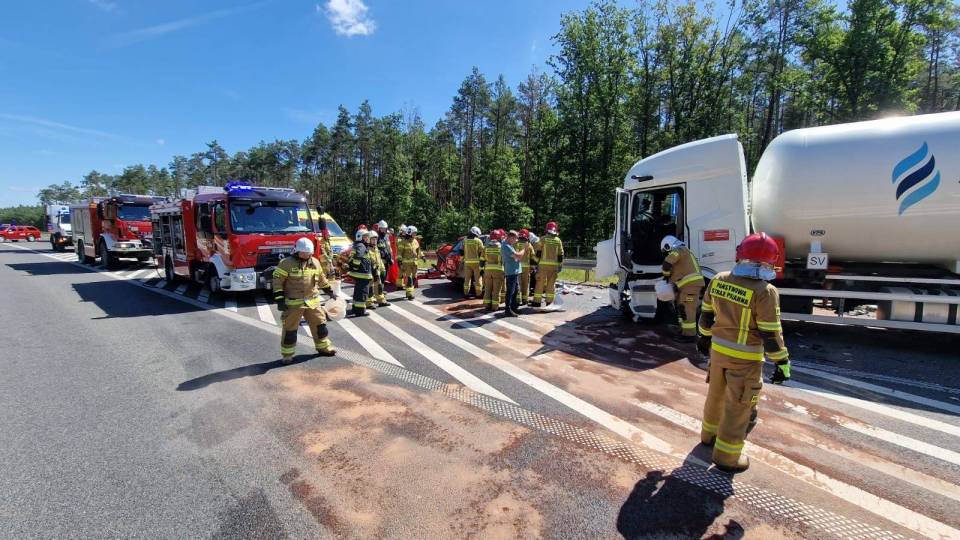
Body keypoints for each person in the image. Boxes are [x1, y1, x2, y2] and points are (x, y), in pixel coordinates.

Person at [697, 232, 790, 473]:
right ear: (771, 261)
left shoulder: (719, 279)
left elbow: (706, 315)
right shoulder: (765, 291)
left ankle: (708, 436)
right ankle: (727, 457)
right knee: (738, 406)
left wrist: (703, 338)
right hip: (745, 359)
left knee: (716, 395)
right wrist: (782, 362)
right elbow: (770, 333)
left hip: (718, 353)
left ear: (740, 254)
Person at [272, 237, 337, 363]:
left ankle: (323, 347)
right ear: (297, 251)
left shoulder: (315, 262)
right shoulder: (286, 263)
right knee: (290, 330)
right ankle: (287, 355)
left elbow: (321, 278)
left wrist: (329, 291)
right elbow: (277, 282)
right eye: (304, 253)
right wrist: (279, 300)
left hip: (313, 301)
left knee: (320, 325)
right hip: (293, 303)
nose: (307, 255)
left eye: (309, 253)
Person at [661, 235, 705, 341]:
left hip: (691, 285)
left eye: (666, 251)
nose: (667, 254)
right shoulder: (685, 251)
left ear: (668, 246)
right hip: (688, 285)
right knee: (681, 307)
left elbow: (667, 263)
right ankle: (683, 331)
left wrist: (666, 275)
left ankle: (689, 335)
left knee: (687, 308)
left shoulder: (679, 250)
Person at [531, 221, 564, 307]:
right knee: (551, 284)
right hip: (554, 267)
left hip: (543, 266)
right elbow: (560, 255)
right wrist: (560, 265)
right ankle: (549, 302)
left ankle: (537, 302)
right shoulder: (558, 240)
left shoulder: (542, 239)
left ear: (546, 229)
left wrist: (534, 264)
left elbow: (538, 253)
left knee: (540, 283)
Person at [502, 230, 533, 317]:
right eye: (515, 239)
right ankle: (508, 310)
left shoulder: (509, 245)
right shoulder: (506, 246)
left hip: (514, 271)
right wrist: (524, 249)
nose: (516, 241)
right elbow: (518, 256)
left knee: (515, 290)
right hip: (511, 271)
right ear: (510, 237)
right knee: (510, 291)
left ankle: (513, 308)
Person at [347, 229, 373, 317]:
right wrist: (355, 266)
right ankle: (360, 311)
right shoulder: (361, 246)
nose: (367, 238)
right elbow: (358, 257)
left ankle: (355, 308)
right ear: (360, 237)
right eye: (365, 236)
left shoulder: (358, 245)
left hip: (360, 274)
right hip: (363, 274)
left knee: (358, 292)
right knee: (363, 292)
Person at [366, 230, 390, 308]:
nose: (375, 241)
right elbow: (368, 262)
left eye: (376, 239)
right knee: (370, 288)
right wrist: (373, 271)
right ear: (369, 240)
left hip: (377, 272)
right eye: (373, 239)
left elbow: (379, 260)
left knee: (379, 287)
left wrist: (383, 270)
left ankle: (381, 300)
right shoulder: (367, 249)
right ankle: (369, 303)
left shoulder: (376, 249)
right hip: (370, 273)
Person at [482, 230, 505, 312]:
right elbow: (504, 260)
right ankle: (495, 307)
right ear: (499, 237)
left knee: (487, 289)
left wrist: (481, 270)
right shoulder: (501, 247)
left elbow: (482, 259)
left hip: (488, 270)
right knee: (496, 290)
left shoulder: (486, 247)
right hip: (498, 271)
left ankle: (486, 305)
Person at [397, 225, 421, 300]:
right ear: (409, 233)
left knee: (414, 278)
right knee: (409, 279)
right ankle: (409, 294)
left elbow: (418, 250)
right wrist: (399, 261)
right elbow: (399, 253)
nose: (415, 234)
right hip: (406, 264)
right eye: (414, 233)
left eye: (415, 233)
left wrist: (422, 256)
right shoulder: (402, 242)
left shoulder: (415, 241)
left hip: (415, 264)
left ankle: (409, 292)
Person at [462, 226, 484, 299]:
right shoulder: (478, 241)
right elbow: (482, 252)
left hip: (467, 263)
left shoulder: (465, 240)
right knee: (478, 279)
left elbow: (462, 251)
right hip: (476, 263)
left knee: (467, 279)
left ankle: (466, 294)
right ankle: (478, 294)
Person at [516, 228, 537, 305]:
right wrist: (533, 267)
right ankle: (525, 299)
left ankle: (518, 299)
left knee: (518, 283)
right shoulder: (529, 245)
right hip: (526, 268)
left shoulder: (515, 244)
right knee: (526, 284)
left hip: (516, 267)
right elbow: (533, 257)